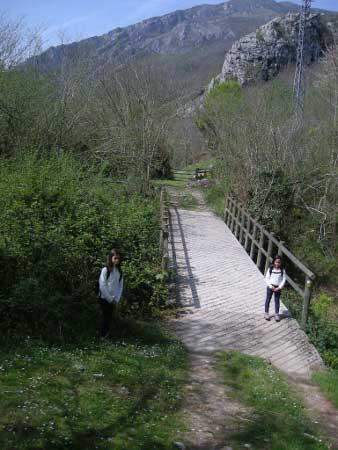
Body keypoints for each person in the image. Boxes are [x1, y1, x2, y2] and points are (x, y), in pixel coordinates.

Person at [98, 249, 124, 338]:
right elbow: (102, 285)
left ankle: (106, 336)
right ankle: (102, 336)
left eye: (118, 258)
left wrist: (116, 299)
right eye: (115, 258)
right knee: (105, 318)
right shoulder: (105, 270)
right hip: (104, 299)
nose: (117, 260)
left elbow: (120, 287)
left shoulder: (119, 272)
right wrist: (109, 299)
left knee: (109, 318)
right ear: (110, 258)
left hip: (113, 300)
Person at [264, 255, 286, 322]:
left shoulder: (282, 270)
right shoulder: (270, 269)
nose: (277, 263)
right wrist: (271, 286)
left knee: (277, 301)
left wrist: (279, 287)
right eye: (276, 262)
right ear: (274, 262)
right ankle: (266, 313)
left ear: (281, 263)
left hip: (278, 288)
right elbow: (267, 278)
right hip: (271, 287)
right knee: (268, 299)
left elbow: (284, 279)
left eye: (279, 262)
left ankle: (276, 314)